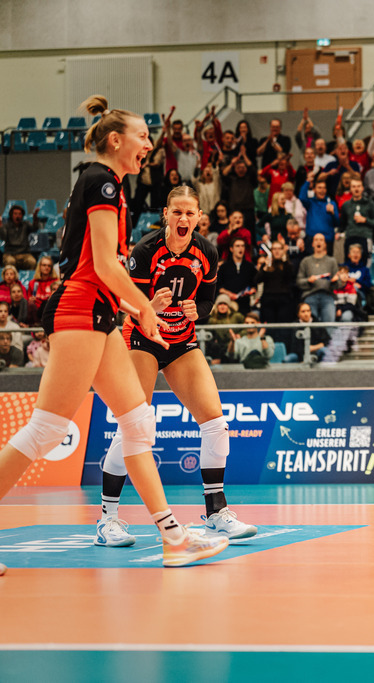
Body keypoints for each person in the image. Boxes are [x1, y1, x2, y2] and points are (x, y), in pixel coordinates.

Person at [0, 96, 229, 574]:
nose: (149, 143)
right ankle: (156, 530)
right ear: (116, 140)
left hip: (101, 315)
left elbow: (107, 270)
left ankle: (173, 537)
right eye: (143, 135)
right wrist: (144, 308)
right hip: (81, 309)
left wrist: (130, 307)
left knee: (139, 424)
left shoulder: (111, 185)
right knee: (46, 429)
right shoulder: (101, 181)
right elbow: (103, 265)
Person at [97, 185, 257, 549]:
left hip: (182, 342)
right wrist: (148, 305)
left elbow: (207, 300)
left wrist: (197, 311)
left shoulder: (208, 252)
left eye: (190, 213)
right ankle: (108, 520)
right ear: (165, 215)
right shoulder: (145, 251)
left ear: (200, 216)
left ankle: (216, 513)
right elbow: (124, 301)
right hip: (142, 337)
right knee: (134, 425)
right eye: (177, 212)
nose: (184, 218)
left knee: (215, 422)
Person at [296, 233, 338, 323]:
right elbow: (299, 281)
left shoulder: (332, 261)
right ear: (312, 244)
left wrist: (335, 281)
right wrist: (308, 281)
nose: (318, 242)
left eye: (321, 240)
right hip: (310, 295)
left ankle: (328, 337)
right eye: (316, 240)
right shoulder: (306, 261)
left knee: (329, 323)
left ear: (325, 244)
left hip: (328, 295)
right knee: (311, 325)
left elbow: (338, 284)